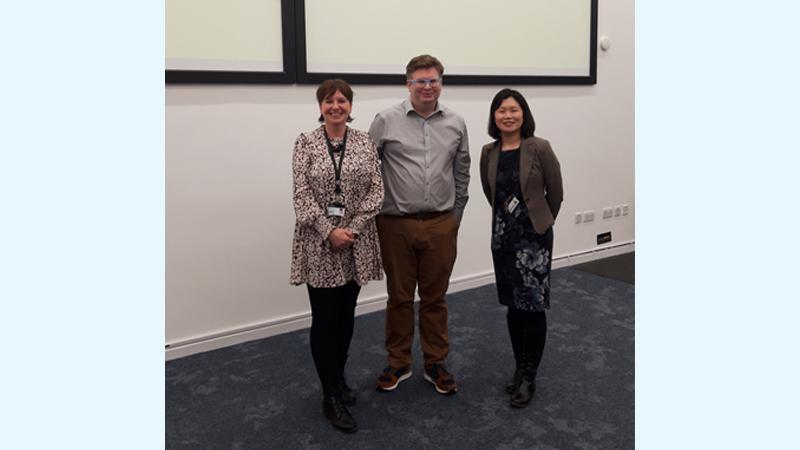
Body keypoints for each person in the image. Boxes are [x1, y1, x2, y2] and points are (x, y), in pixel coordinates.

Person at [368, 54, 470, 396]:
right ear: (408, 84)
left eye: (433, 80)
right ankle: (398, 362)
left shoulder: (456, 123)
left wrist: (455, 217)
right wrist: (376, 215)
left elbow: (462, 170)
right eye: (420, 81)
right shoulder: (385, 120)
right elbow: (369, 170)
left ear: (441, 83)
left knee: (435, 298)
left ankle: (435, 362)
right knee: (399, 298)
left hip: (441, 224)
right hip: (396, 225)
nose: (428, 87)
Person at [290, 79, 383, 433]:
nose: (336, 106)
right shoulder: (305, 143)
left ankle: (339, 377)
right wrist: (330, 231)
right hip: (319, 244)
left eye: (342, 100)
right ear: (320, 107)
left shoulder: (364, 141)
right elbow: (301, 196)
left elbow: (377, 190)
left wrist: (353, 229)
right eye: (329, 101)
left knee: (346, 315)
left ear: (350, 105)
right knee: (325, 320)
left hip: (356, 242)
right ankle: (329, 395)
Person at [479, 88, 563, 408]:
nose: (508, 115)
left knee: (533, 306)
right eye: (501, 110)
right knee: (514, 307)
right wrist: (507, 222)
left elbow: (555, 191)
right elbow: (491, 193)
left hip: (534, 240)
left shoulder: (539, 147)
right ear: (494, 117)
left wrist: (541, 222)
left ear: (523, 114)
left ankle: (529, 376)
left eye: (514, 109)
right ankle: (518, 367)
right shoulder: (489, 151)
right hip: (503, 239)